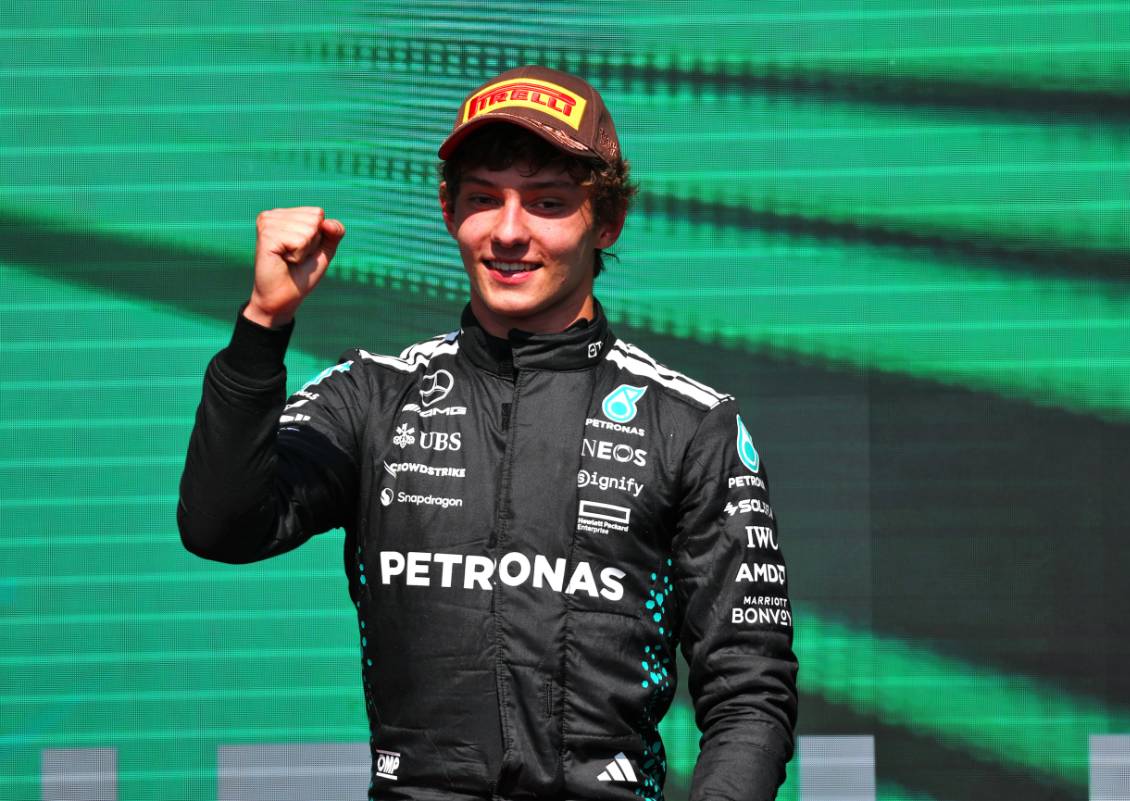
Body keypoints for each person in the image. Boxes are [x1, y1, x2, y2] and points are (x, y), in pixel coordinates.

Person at [178, 65, 796, 801]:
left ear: (607, 222)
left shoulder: (690, 425)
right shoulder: (373, 395)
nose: (508, 231)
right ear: (448, 212)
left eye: (547, 202)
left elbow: (750, 691)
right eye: (483, 199)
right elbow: (223, 525)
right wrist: (264, 325)